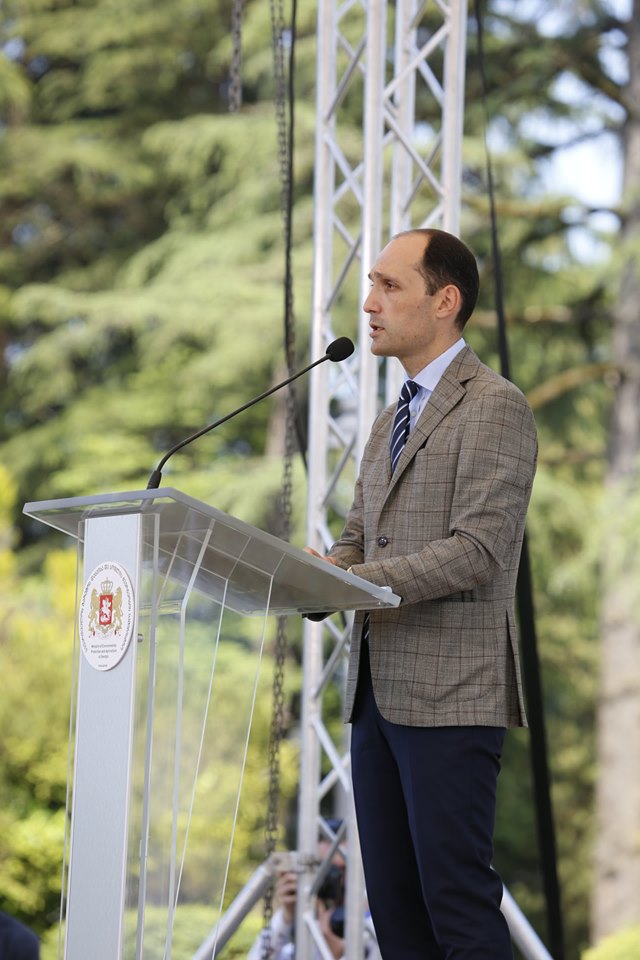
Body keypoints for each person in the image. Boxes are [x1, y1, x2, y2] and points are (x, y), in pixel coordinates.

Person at [307, 228, 538, 959]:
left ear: (445, 301)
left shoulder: (495, 405)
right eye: (369, 286)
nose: (369, 304)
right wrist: (316, 575)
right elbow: (357, 537)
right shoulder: (389, 419)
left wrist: (354, 582)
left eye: (389, 285)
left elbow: (478, 551)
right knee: (398, 917)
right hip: (375, 699)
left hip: (451, 695)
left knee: (457, 909)